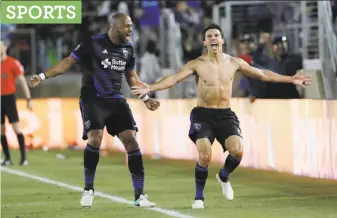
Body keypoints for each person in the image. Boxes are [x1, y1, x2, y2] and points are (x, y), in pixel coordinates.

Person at [131, 23, 312, 209]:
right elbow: (174, 79)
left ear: (222, 40)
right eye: (209, 36)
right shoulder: (197, 64)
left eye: (216, 35)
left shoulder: (234, 63)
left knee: (238, 151)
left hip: (225, 114)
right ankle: (199, 198)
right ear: (204, 42)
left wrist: (291, 79)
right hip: (203, 115)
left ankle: (223, 176)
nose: (213, 38)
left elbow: (263, 74)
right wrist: (150, 87)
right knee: (204, 155)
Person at [28, 13, 159, 208]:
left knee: (131, 140)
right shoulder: (93, 43)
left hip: (115, 99)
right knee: (95, 137)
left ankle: (139, 196)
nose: (131, 30)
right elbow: (67, 62)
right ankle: (88, 190)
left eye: (131, 26)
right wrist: (42, 76)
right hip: (93, 98)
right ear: (114, 28)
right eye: (127, 26)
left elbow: (132, 78)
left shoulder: (128, 49)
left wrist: (146, 98)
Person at [1, 40, 32, 166]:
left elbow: (22, 81)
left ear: (5, 47)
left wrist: (28, 99)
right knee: (1, 131)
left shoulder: (13, 63)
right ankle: (7, 158)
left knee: (16, 128)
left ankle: (23, 158)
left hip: (9, 98)